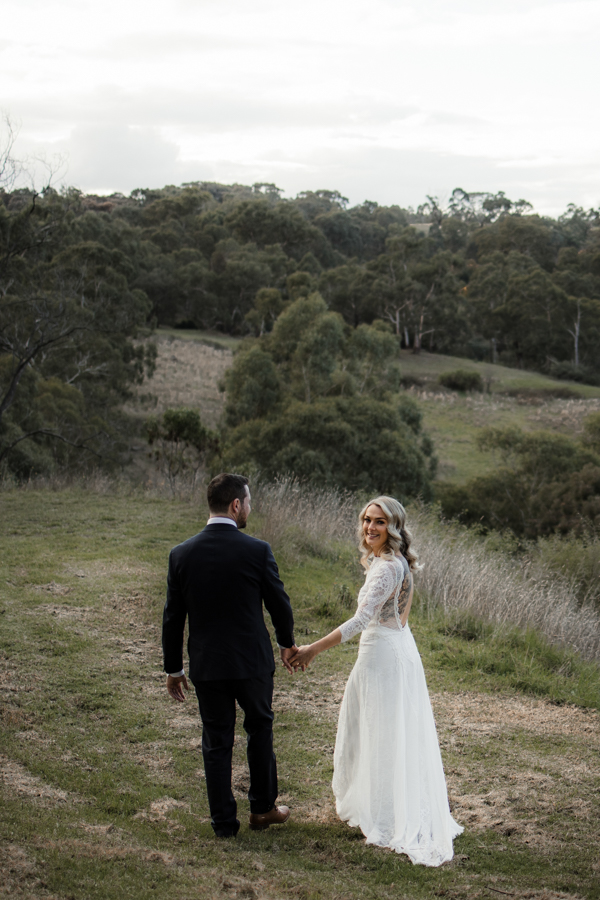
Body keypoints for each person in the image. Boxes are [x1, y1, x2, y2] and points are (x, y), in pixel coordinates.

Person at [290, 496, 463, 866]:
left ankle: (385, 816)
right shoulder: (397, 562)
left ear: (394, 527)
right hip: (400, 646)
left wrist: (311, 650)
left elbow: (358, 621)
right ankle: (388, 806)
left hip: (381, 656)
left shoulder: (386, 567)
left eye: (379, 522)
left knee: (377, 731)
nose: (370, 527)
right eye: (367, 520)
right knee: (391, 731)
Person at [162, 473, 297, 838]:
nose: (249, 508)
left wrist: (174, 668)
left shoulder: (181, 554)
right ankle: (263, 809)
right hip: (252, 661)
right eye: (248, 502)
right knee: (259, 729)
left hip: (208, 664)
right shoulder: (257, 550)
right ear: (236, 504)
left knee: (217, 739)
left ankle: (223, 823)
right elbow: (278, 602)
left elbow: (173, 617)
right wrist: (287, 643)